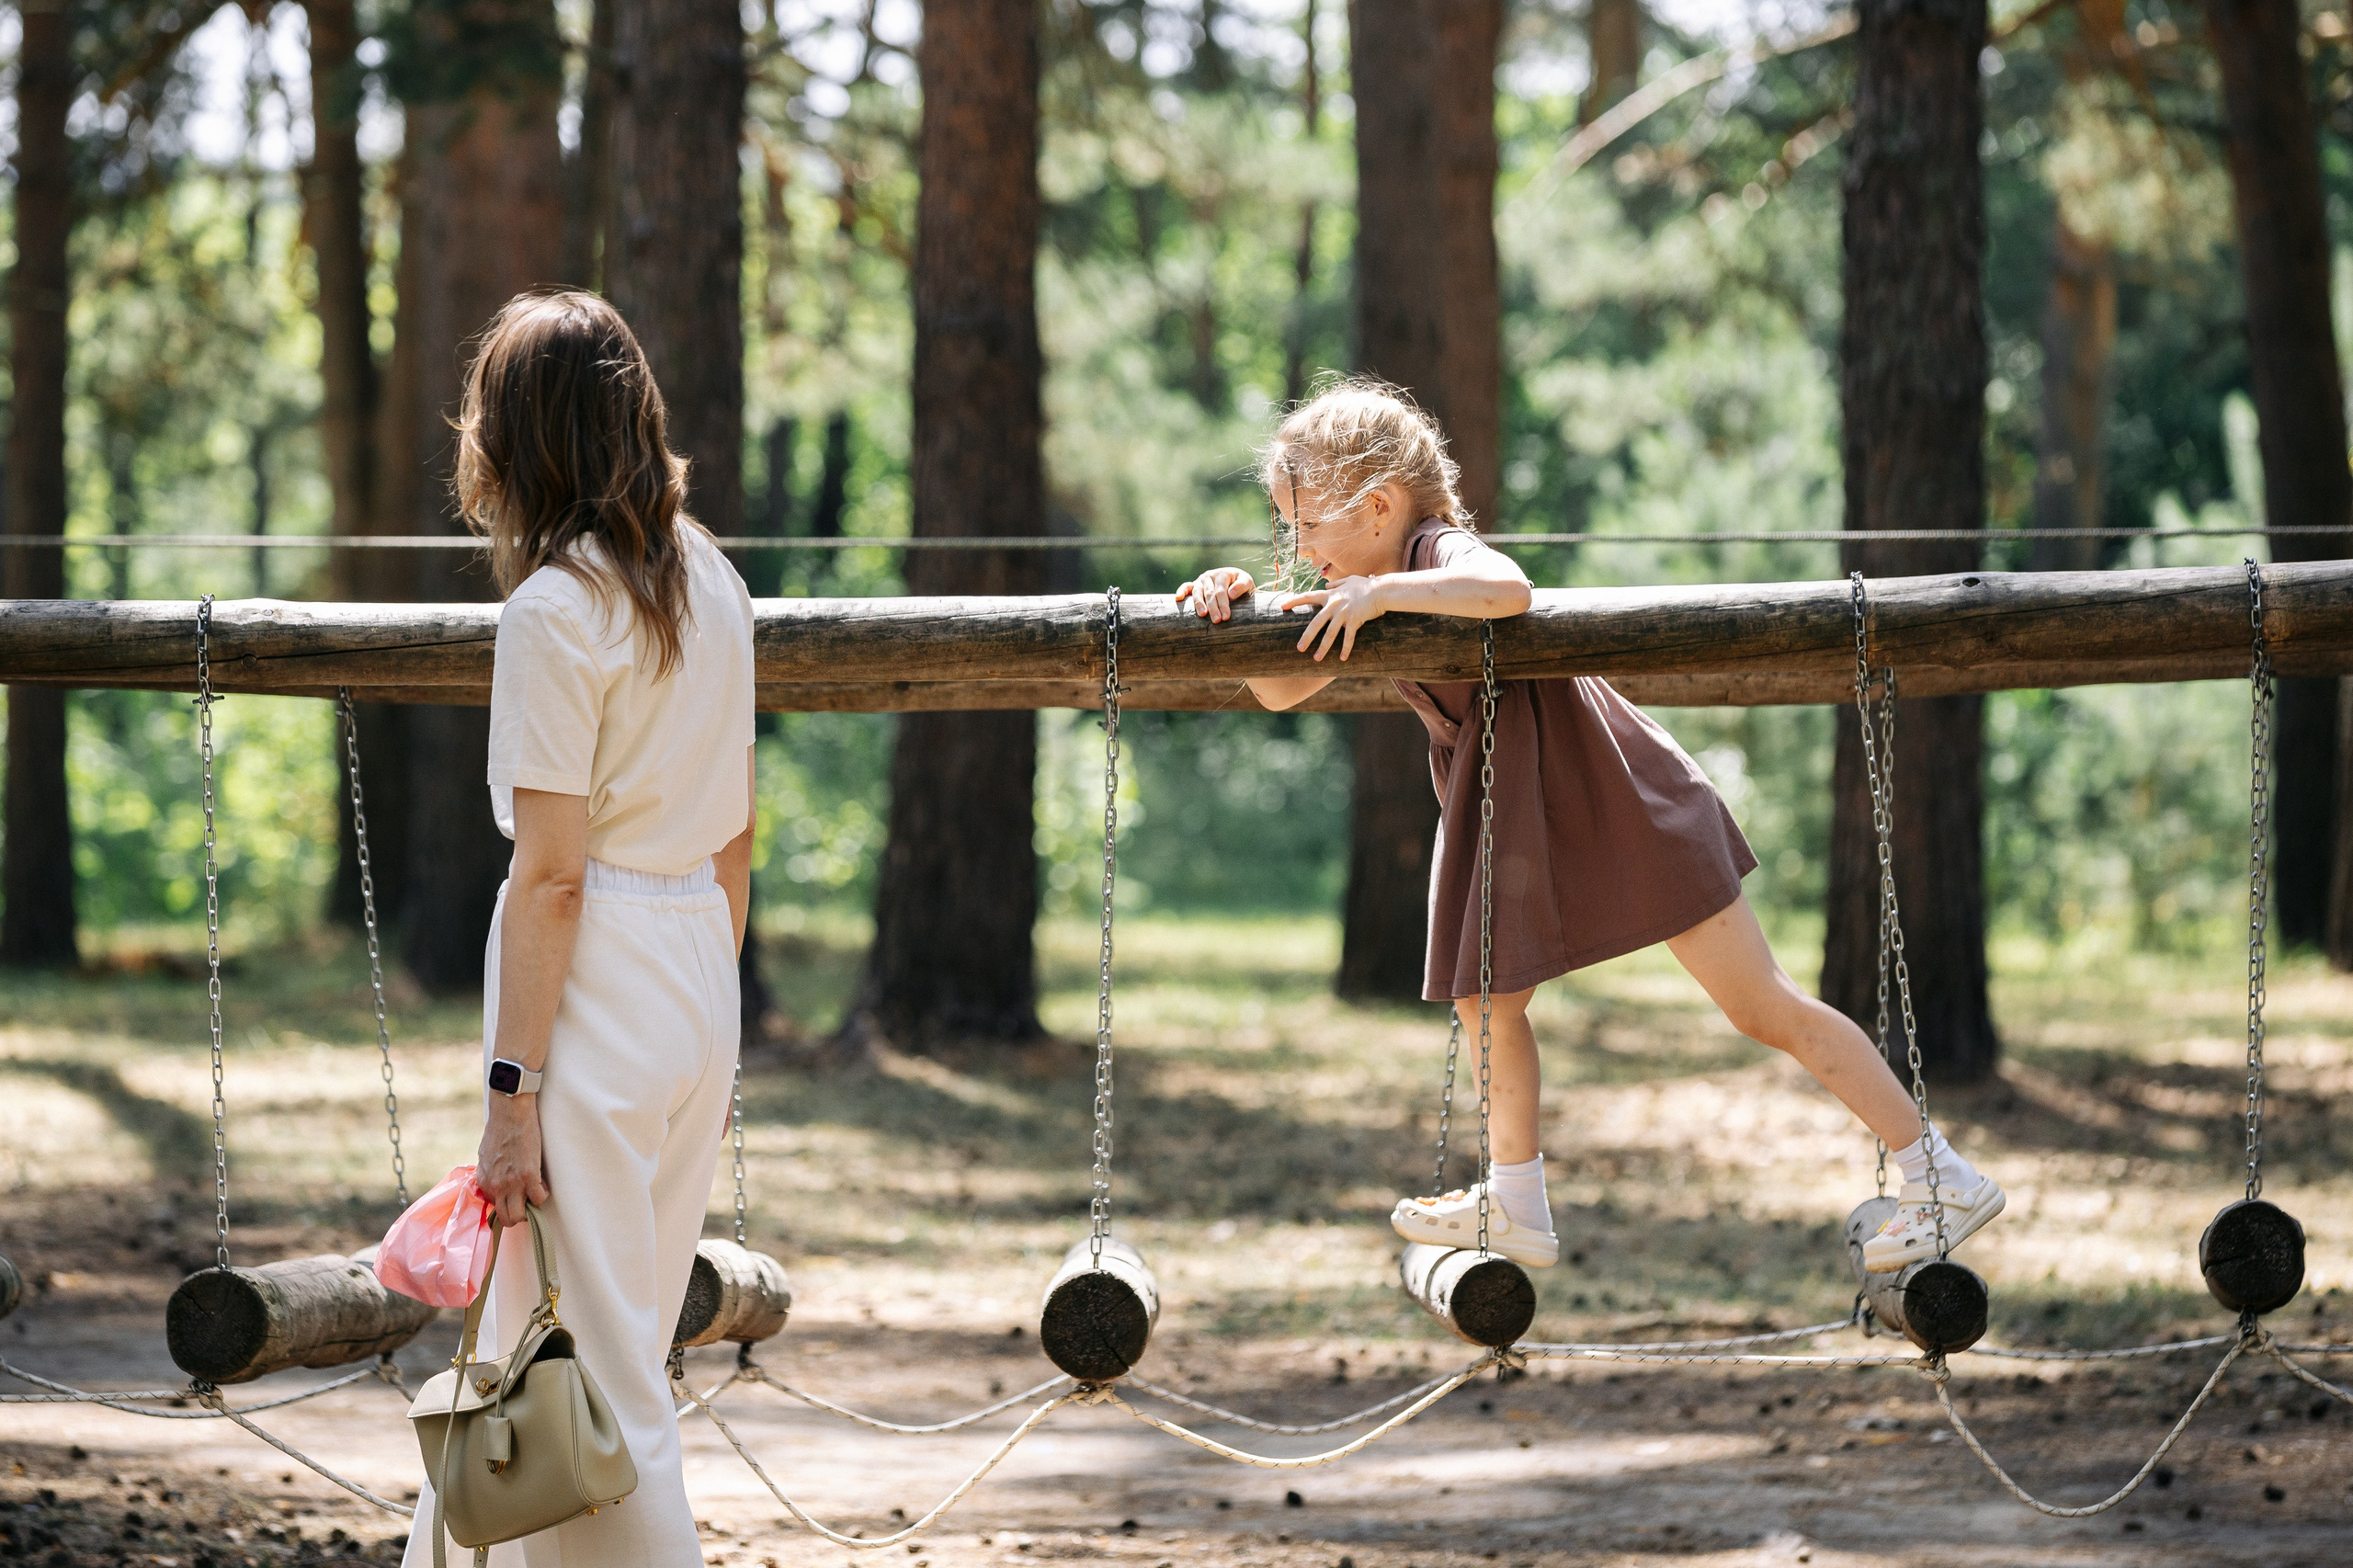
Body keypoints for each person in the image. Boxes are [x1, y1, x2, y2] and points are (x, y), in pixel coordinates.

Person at [1174, 379, 2002, 1275]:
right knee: (1485, 1003)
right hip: (1533, 816)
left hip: (1623, 803)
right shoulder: (1361, 586)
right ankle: (1516, 1199)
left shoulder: (1427, 553)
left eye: (1300, 526)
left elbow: (1506, 587)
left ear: (1375, 507)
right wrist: (1238, 600)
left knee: (1761, 1004)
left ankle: (1941, 1173)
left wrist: (1382, 593)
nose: (1292, 546)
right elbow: (1281, 687)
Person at [405, 290, 756, 1568]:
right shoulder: (713, 578)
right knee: (594, 1340)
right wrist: (707, 997)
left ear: (518, 435)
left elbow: (551, 878)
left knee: (594, 1372)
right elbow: (736, 837)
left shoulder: (557, 610)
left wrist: (511, 1090)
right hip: (692, 971)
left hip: (597, 972)